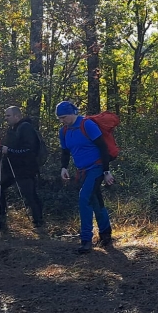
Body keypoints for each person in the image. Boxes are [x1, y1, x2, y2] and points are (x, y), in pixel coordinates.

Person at [56, 101, 114, 254]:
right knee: (94, 200)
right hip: (82, 171)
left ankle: (86, 240)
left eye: (64, 117)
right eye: (60, 118)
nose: (62, 121)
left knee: (84, 198)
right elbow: (65, 151)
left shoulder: (87, 125)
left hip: (97, 167)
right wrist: (64, 168)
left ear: (73, 113)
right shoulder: (64, 131)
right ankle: (106, 234)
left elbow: (103, 147)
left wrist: (106, 171)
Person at [0, 105, 44, 229]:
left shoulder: (25, 128)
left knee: (30, 194)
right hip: (11, 168)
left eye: (8, 115)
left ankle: (39, 222)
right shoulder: (13, 128)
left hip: (25, 169)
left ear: (17, 116)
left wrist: (9, 151)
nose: (6, 118)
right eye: (5, 115)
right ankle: (0, 217)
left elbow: (29, 150)